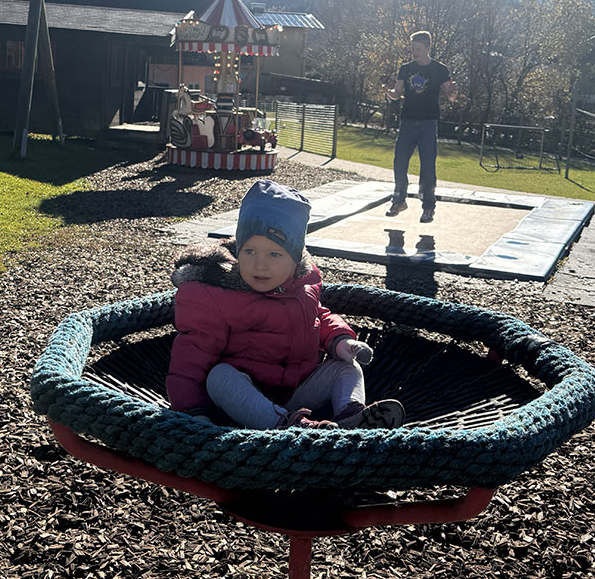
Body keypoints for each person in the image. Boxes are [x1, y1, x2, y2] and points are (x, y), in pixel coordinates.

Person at [166, 179, 406, 430]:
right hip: (245, 401)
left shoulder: (304, 284)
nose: (260, 264)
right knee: (219, 377)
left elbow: (319, 316)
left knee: (346, 367)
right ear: (238, 251)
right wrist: (192, 410)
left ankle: (351, 416)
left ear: (295, 259)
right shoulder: (216, 295)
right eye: (249, 252)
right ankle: (289, 426)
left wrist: (341, 340)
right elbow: (191, 357)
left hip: (297, 392)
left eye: (274, 254)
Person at [385, 30, 457, 223]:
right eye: (412, 48)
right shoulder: (406, 68)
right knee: (399, 162)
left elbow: (450, 95)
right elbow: (397, 92)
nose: (414, 52)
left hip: (428, 123)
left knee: (427, 167)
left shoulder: (440, 69)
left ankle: (428, 207)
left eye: (418, 48)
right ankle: (398, 200)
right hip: (407, 121)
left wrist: (452, 93)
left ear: (427, 47)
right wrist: (390, 93)